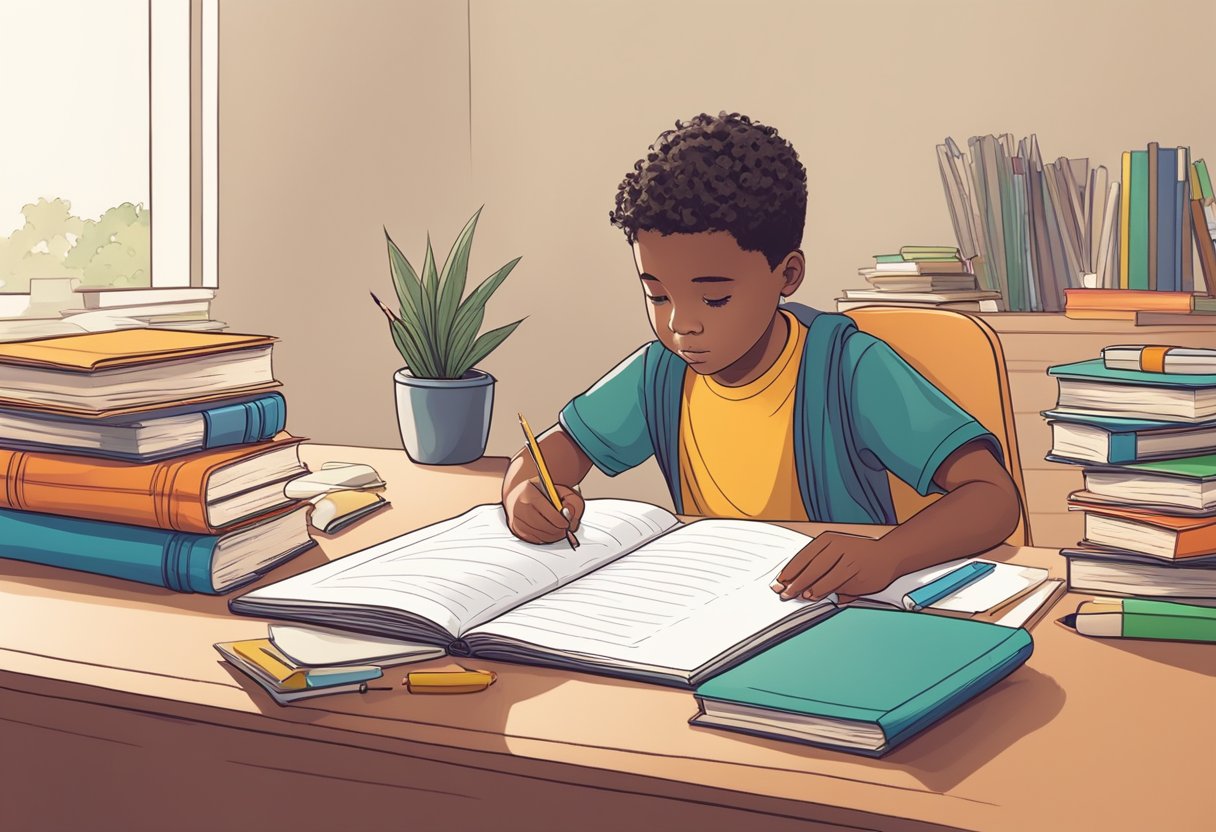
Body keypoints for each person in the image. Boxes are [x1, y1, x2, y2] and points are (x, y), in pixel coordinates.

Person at [501, 111, 1020, 603]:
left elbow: (993, 498)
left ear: (787, 276)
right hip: (709, 614)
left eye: (715, 298)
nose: (681, 324)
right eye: (657, 295)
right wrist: (524, 491)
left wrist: (888, 555)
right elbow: (548, 454)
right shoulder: (659, 373)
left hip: (827, 614)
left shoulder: (847, 369)